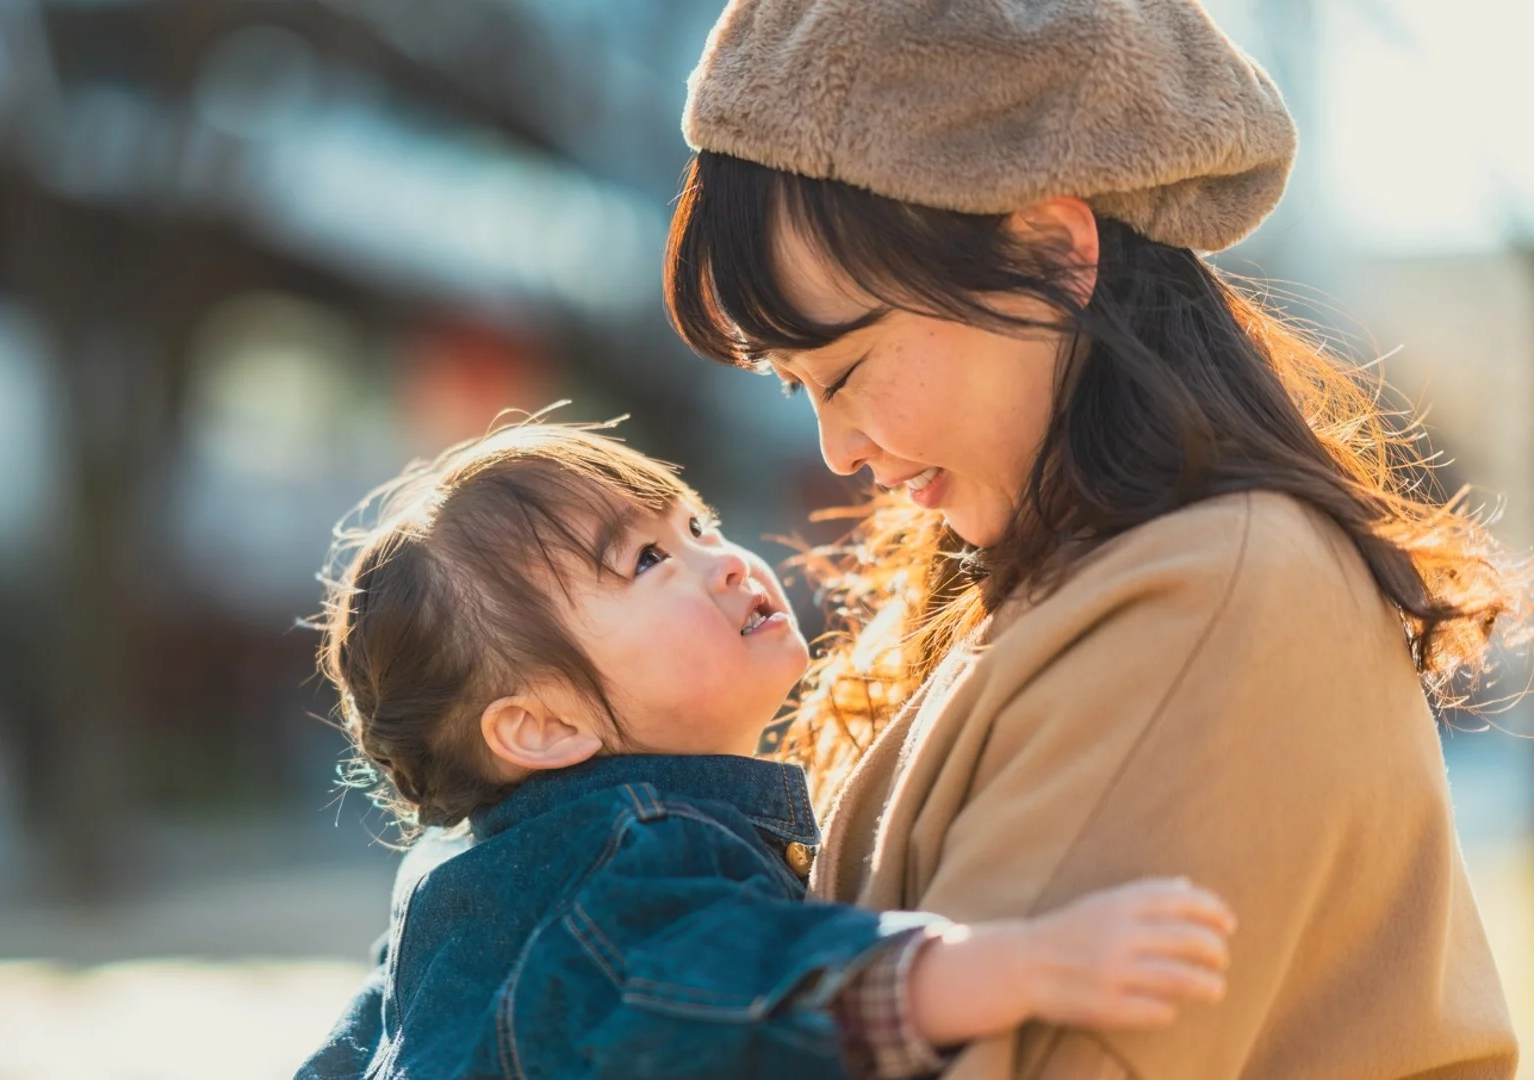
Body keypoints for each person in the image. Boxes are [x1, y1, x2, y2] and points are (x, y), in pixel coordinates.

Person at [661, 1, 1527, 1077]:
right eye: (798, 388)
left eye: (845, 370)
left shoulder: (1206, 603)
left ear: (1056, 252)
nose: (837, 447)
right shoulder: (1062, 583)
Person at [296, 422, 1235, 1079]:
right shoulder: (634, 850)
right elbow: (733, 991)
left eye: (697, 524)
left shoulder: (459, 891)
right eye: (648, 560)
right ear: (542, 727)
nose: (729, 558)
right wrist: (1023, 967)